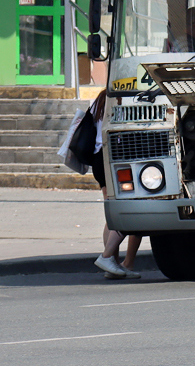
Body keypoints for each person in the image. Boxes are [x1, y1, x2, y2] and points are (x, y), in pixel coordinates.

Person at [62, 90, 143, 279]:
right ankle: (115, 260)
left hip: (98, 160)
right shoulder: (121, 98)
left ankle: (113, 264)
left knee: (111, 212)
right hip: (115, 159)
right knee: (132, 210)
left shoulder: (100, 99)